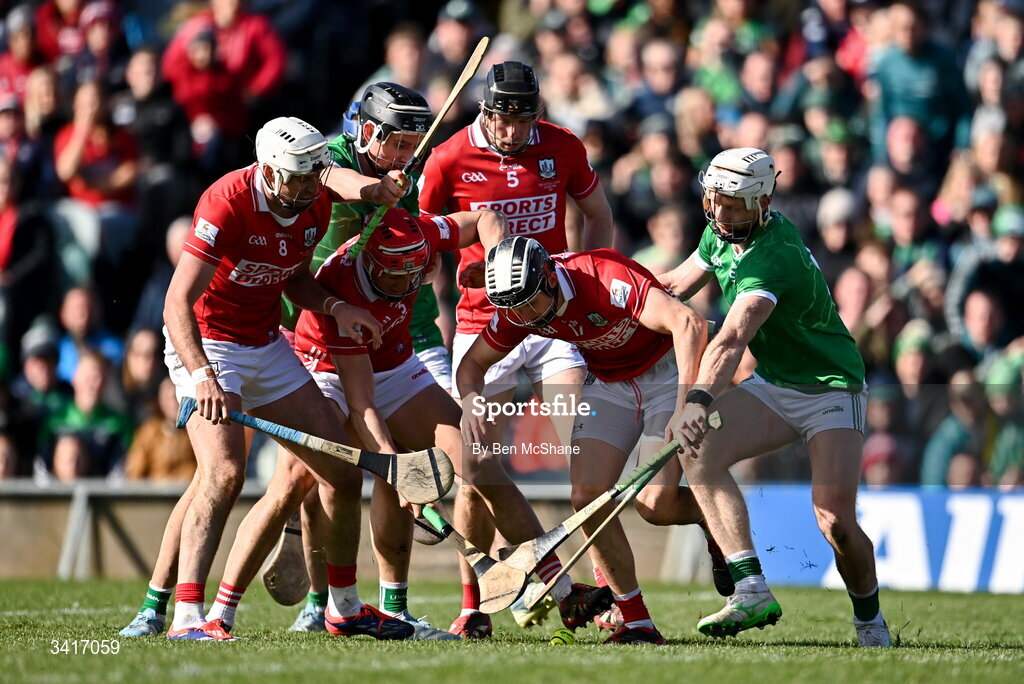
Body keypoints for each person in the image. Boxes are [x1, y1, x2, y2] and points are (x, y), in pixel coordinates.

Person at [135, 115, 410, 643]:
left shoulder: (313, 203)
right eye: (298, 178)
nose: (308, 188)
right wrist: (203, 374)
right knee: (223, 473)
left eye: (314, 177)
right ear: (268, 170)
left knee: (343, 470)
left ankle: (344, 608)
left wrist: (335, 306)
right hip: (209, 344)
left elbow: (295, 278)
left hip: (266, 343)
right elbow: (176, 304)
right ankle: (189, 619)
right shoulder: (227, 203)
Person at [658, 147, 891, 647]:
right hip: (777, 382)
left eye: (735, 205)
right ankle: (750, 587)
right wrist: (607, 291)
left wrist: (698, 399)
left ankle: (870, 622)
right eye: (715, 201)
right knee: (698, 452)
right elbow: (672, 285)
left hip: (830, 387)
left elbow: (733, 337)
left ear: (763, 202)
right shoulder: (718, 233)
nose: (721, 214)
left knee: (835, 521)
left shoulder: (774, 253)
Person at [419, 60, 614, 637]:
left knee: (585, 453)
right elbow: (426, 245)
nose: (512, 132)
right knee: (478, 468)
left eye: (523, 120)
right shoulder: (449, 157)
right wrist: (439, 319)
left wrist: (591, 275)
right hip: (484, 327)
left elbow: (597, 214)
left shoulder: (562, 147)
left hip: (554, 319)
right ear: (486, 109)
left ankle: (613, 599)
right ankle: (474, 605)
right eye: (503, 119)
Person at [458, 236, 714, 645]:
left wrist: (687, 403)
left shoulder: (602, 277)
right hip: (611, 383)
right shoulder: (518, 308)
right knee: (587, 496)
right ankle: (637, 621)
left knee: (656, 505)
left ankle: (710, 519)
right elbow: (471, 366)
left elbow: (689, 323)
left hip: (665, 375)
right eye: (515, 308)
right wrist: (471, 400)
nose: (524, 316)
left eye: (529, 303)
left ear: (549, 281)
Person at [288, 206, 508, 638]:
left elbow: (486, 217)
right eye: (396, 275)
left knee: (473, 460)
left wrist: (494, 266)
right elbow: (362, 401)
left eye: (417, 272)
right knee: (299, 481)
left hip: (403, 353)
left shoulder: (420, 235)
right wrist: (397, 468)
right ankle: (219, 610)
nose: (409, 283)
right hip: (330, 362)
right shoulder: (343, 279)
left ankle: (553, 581)